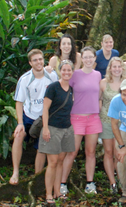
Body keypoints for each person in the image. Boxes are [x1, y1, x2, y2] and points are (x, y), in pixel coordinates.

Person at [9, 49, 58, 185]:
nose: (38, 62)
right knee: (19, 135)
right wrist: (20, 123)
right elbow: (19, 102)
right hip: (29, 115)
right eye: (35, 60)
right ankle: (16, 172)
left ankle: (37, 177)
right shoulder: (25, 79)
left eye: (40, 59)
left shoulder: (52, 76)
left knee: (42, 145)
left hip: (44, 117)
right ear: (30, 63)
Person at [60, 46, 102, 195]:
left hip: (93, 118)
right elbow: (63, 87)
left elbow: (100, 95)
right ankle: (62, 183)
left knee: (90, 152)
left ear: (95, 59)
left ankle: (90, 183)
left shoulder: (98, 75)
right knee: (72, 151)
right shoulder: (75, 74)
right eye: (86, 57)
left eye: (91, 57)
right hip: (76, 118)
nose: (88, 60)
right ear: (81, 59)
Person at [39, 60, 75, 204]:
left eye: (69, 70)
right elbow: (45, 109)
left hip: (67, 128)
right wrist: (46, 128)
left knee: (61, 161)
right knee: (52, 162)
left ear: (72, 72)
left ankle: (57, 191)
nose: (66, 72)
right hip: (53, 128)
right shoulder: (53, 87)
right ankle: (48, 194)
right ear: (60, 71)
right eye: (64, 70)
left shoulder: (72, 89)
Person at [99, 57, 126, 193]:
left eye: (119, 66)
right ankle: (113, 183)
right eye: (114, 67)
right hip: (106, 121)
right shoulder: (103, 83)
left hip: (122, 123)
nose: (117, 69)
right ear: (110, 68)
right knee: (108, 152)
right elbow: (99, 100)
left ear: (122, 68)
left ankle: (122, 180)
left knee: (119, 152)